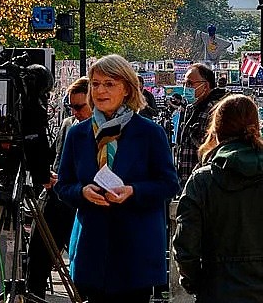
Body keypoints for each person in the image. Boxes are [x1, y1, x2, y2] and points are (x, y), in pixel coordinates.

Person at [55, 54, 179, 303]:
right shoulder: (78, 133)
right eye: (95, 83)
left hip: (136, 253)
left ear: (126, 89)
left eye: (109, 84)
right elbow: (63, 184)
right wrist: (81, 192)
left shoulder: (150, 133)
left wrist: (133, 190)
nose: (100, 90)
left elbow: (168, 184)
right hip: (93, 250)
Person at [172, 95, 263, 303]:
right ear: (256, 127)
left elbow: (186, 248)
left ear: (217, 132)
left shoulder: (202, 181)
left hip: (219, 291)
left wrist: (198, 284)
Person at [26, 77, 93, 299]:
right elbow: (55, 157)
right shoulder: (68, 125)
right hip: (54, 201)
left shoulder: (104, 133)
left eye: (79, 107)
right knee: (36, 260)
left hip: (81, 206)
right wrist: (47, 176)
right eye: (71, 107)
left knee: (82, 265)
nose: (74, 112)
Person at [175, 64, 227, 187]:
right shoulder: (191, 108)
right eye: (185, 84)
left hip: (205, 184)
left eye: (190, 84)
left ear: (206, 85)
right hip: (187, 179)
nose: (186, 88)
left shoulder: (215, 110)